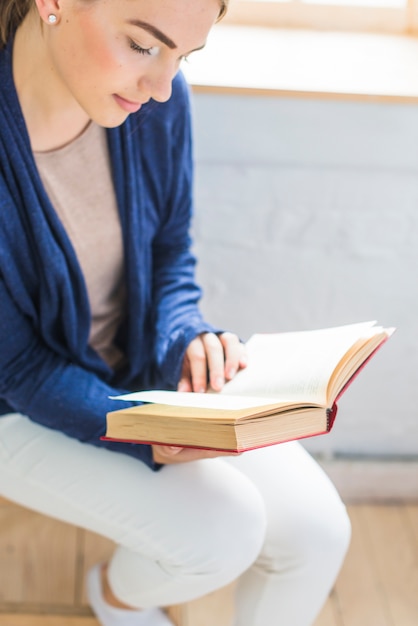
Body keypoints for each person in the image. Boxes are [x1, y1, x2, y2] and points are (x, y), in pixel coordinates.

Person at [0, 1, 351, 625]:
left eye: (183, 57)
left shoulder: (149, 103)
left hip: (135, 373)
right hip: (15, 405)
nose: (163, 88)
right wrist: (144, 432)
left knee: (318, 534)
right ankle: (113, 594)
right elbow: (21, 368)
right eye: (143, 45)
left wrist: (184, 334)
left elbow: (169, 253)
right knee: (222, 533)